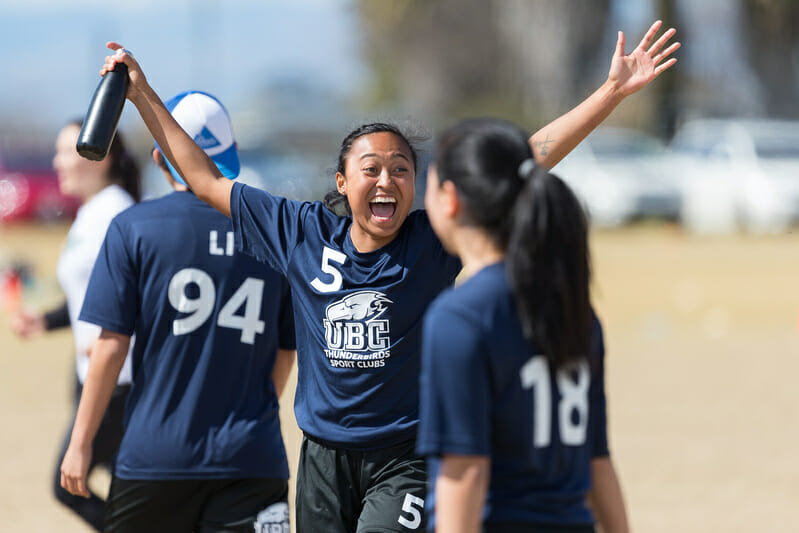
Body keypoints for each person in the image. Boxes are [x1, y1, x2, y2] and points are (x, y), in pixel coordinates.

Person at [98, 19, 677, 532]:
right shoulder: (299, 232)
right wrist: (141, 92)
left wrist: (609, 94)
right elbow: (201, 177)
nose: (386, 181)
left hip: (404, 460)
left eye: (401, 170)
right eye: (370, 169)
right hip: (322, 458)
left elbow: (524, 161)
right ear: (342, 182)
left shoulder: (429, 245)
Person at [59, 90, 297, 533]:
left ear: (158, 155)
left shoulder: (134, 227)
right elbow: (286, 353)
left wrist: (81, 442)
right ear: (234, 153)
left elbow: (110, 348)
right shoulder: (272, 231)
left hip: (155, 458)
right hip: (251, 456)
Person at [417, 118, 627, 533]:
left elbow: (466, 473)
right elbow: (597, 462)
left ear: (449, 199)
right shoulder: (574, 309)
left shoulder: (459, 318)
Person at [10, 120, 140, 531]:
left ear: (100, 158)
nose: (56, 161)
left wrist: (121, 338)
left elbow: (141, 293)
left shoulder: (117, 213)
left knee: (69, 484)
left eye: (67, 151)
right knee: (126, 488)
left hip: (121, 378)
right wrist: (44, 320)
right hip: (93, 374)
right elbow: (91, 297)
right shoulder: (91, 212)